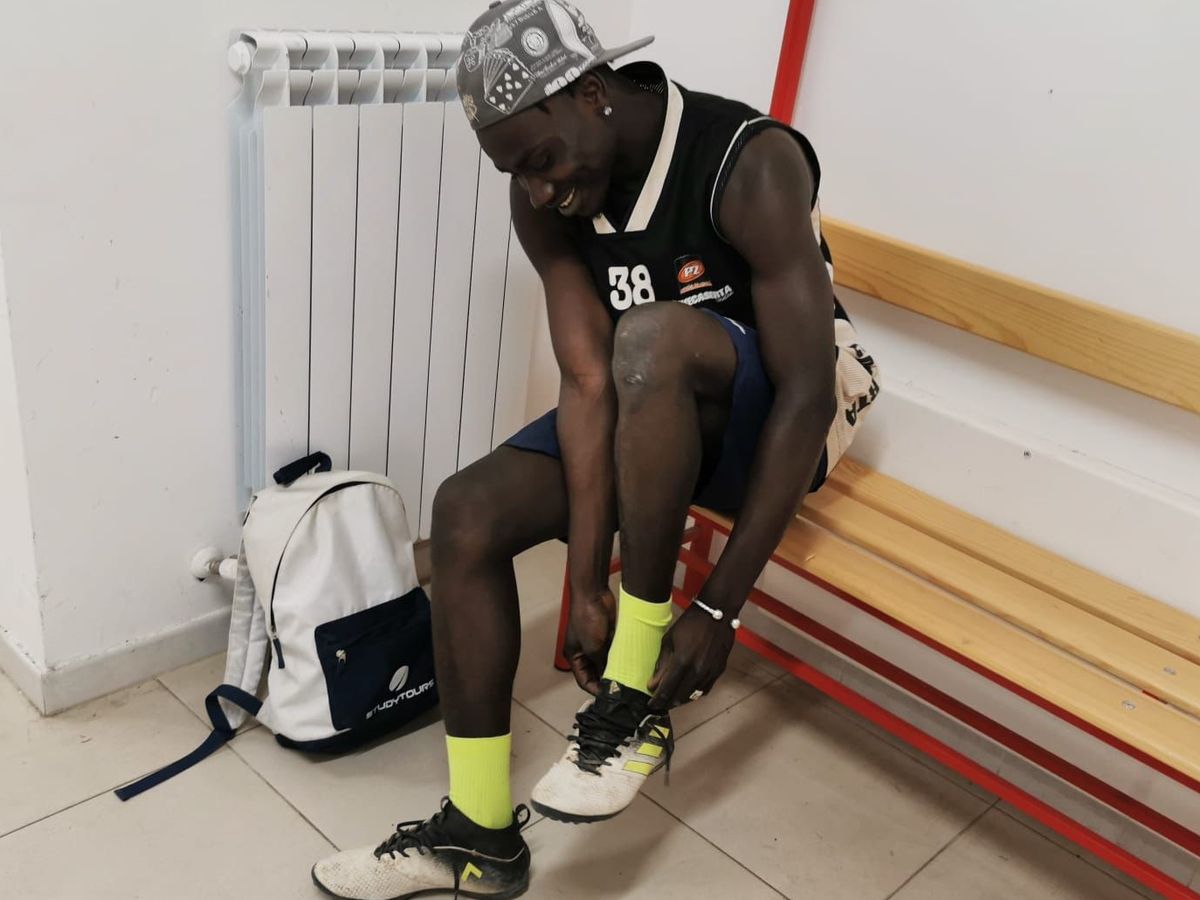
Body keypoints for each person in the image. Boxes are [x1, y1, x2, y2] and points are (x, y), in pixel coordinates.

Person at [312, 1, 880, 897]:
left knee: (652, 337)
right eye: (515, 172)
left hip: (786, 416)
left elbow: (807, 391)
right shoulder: (543, 194)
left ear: (589, 92)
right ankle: (478, 835)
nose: (537, 192)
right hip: (651, 405)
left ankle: (631, 699)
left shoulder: (748, 160)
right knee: (465, 514)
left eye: (540, 161)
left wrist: (719, 608)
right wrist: (584, 580)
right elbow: (586, 382)